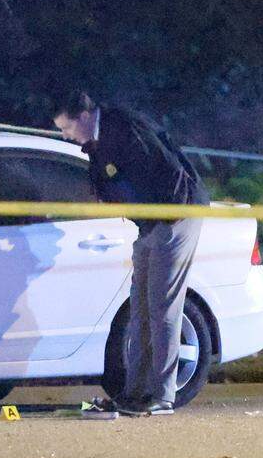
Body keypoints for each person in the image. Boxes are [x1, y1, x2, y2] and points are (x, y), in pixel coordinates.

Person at [52, 91, 209, 417]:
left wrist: (160, 222)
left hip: (176, 216)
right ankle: (134, 392)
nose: (65, 135)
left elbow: (165, 177)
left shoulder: (124, 128)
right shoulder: (96, 141)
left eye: (66, 128)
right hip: (150, 224)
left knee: (162, 307)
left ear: (83, 116)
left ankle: (162, 395)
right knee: (140, 308)